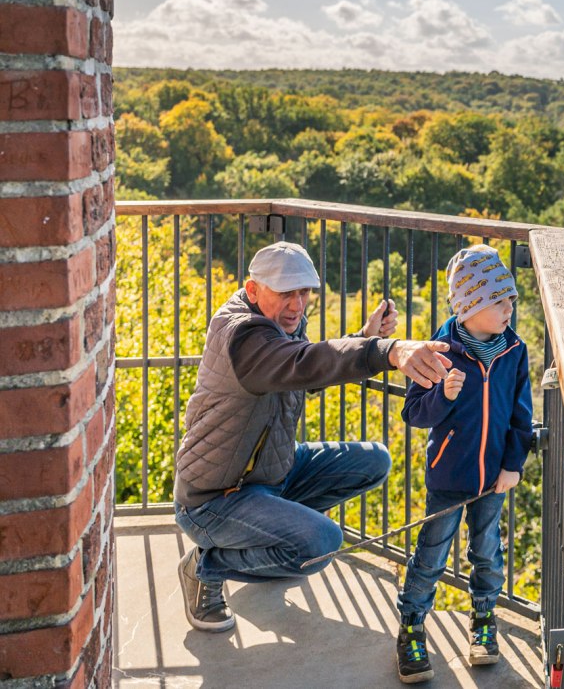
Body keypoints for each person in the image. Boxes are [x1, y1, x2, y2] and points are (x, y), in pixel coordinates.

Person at [174, 240, 453, 634]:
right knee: (321, 543)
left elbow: (299, 376)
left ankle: (275, 540)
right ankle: (205, 566)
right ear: (253, 291)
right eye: (285, 293)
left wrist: (362, 335)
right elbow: (302, 362)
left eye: (303, 292)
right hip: (216, 497)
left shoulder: (278, 323)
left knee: (373, 460)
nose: (297, 304)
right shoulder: (243, 335)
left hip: (267, 475)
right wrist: (386, 350)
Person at [394, 244, 534, 683]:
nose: (510, 307)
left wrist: (513, 465)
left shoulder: (514, 350)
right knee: (431, 555)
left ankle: (484, 622)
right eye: (499, 300)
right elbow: (415, 414)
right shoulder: (439, 352)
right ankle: (412, 627)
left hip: (493, 479)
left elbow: (520, 414)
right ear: (469, 306)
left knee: (487, 553)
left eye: (510, 298)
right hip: (449, 478)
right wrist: (443, 395)